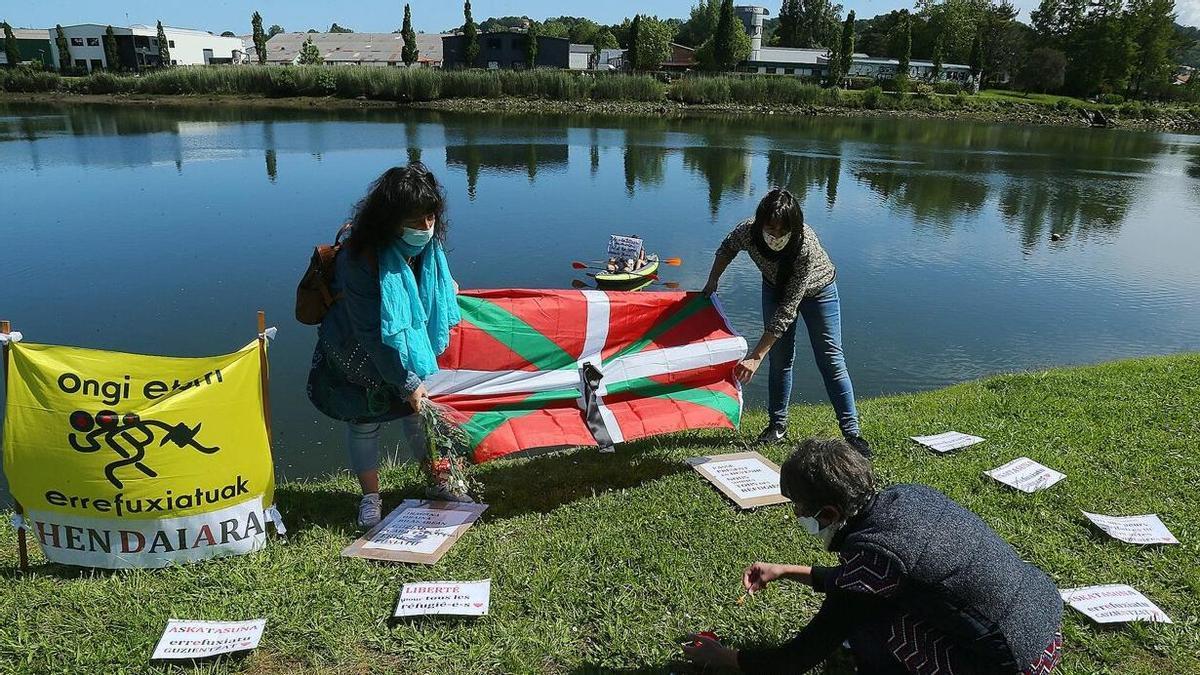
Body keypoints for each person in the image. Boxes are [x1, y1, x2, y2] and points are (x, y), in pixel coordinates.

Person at [682, 438, 1064, 675]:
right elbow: (866, 582)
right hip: (1044, 628)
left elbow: (795, 659)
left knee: (867, 622)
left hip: (1015, 663)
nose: (796, 514)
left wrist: (724, 657)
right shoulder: (909, 496)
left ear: (828, 513)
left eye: (798, 506)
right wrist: (785, 570)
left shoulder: (874, 560)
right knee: (870, 605)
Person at [307, 163, 464, 529]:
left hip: (404, 347)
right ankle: (370, 498)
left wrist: (447, 290)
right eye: (415, 220)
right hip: (356, 352)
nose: (425, 228)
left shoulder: (426, 244)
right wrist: (406, 381)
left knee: (417, 415)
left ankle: (439, 481)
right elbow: (369, 331)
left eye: (430, 217)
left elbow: (432, 280)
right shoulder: (358, 258)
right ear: (388, 220)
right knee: (365, 423)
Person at [702, 188, 868, 455]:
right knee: (780, 360)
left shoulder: (805, 245)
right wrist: (713, 280)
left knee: (831, 359)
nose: (776, 236)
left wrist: (755, 356)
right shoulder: (748, 232)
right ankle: (777, 427)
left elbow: (788, 309)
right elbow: (727, 248)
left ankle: (852, 434)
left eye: (783, 231)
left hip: (819, 291)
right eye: (771, 228)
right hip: (773, 287)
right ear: (760, 223)